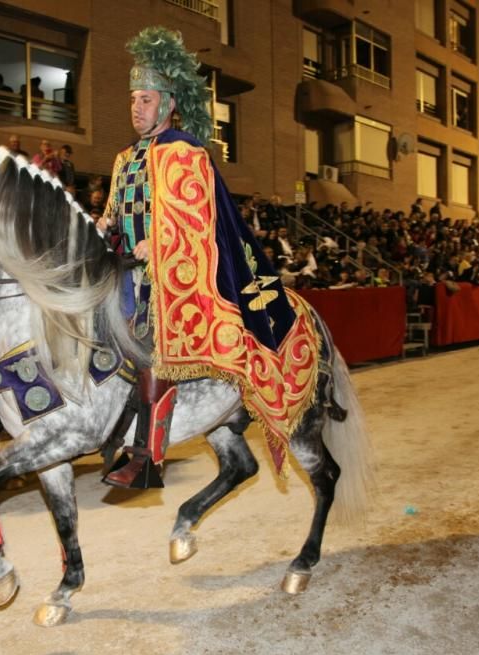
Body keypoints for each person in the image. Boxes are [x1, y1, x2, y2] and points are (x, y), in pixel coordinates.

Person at [98, 27, 318, 488]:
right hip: (124, 271)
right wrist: (101, 227)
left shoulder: (186, 152)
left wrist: (154, 243)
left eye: (145, 99)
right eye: (133, 99)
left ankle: (147, 454)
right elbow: (114, 213)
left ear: (168, 103)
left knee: (152, 343)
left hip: (176, 272)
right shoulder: (123, 159)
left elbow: (197, 220)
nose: (136, 108)